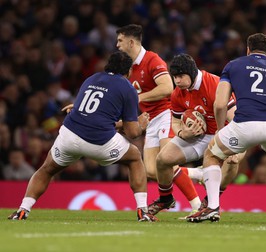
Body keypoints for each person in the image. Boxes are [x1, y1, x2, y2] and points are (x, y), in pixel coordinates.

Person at [183, 33, 266, 224]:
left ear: (247, 49)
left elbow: (220, 104)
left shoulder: (233, 65)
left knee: (212, 155)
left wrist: (219, 131)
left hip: (246, 124)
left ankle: (212, 207)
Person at [8, 51, 157, 222]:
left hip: (70, 134)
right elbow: (132, 133)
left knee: (46, 169)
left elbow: (95, 116)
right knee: (135, 158)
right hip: (99, 142)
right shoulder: (127, 88)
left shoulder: (92, 79)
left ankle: (22, 210)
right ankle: (142, 211)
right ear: (129, 70)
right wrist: (141, 125)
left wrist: (120, 124)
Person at [115, 24, 201, 212]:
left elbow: (166, 88)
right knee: (151, 170)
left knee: (166, 160)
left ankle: (197, 206)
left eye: (120, 41)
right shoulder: (127, 67)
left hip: (166, 114)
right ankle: (197, 173)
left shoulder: (152, 60)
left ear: (131, 42)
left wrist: (137, 98)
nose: (117, 45)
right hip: (150, 119)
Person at [150, 54, 243, 218]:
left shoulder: (215, 84)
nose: (177, 81)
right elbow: (176, 122)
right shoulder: (178, 93)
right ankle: (165, 198)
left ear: (191, 73)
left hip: (223, 134)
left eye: (180, 76)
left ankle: (210, 202)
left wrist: (236, 147)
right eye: (174, 77)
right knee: (162, 159)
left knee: (233, 163)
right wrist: (182, 133)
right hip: (196, 137)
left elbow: (235, 119)